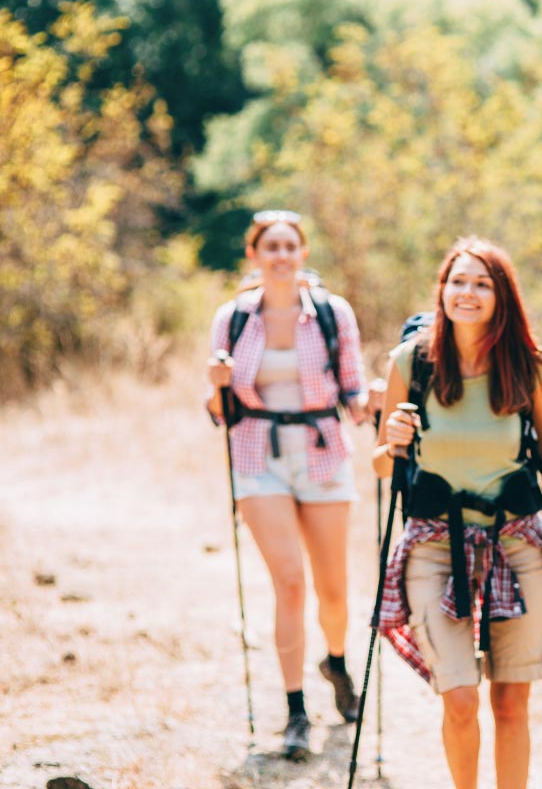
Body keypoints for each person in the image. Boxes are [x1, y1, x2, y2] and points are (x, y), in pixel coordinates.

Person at [373, 236, 542, 789]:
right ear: (442, 290)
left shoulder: (528, 366)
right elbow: (381, 465)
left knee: (511, 702)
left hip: (516, 543)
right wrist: (392, 440)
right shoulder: (411, 362)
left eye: (481, 283)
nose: (466, 293)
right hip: (432, 546)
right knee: (461, 698)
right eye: (457, 281)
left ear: (501, 296)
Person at [206, 210, 370, 760]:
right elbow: (219, 409)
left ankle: (337, 662)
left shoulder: (331, 313)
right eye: (269, 246)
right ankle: (296, 709)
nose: (280, 255)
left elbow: (352, 391)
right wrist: (216, 386)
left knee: (333, 590)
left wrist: (373, 400)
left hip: (323, 454)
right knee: (290, 583)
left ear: (302, 253)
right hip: (258, 456)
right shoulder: (232, 318)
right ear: (253, 256)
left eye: (289, 246)